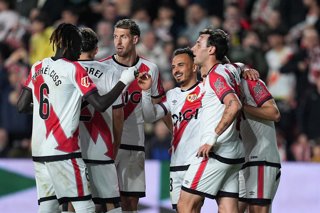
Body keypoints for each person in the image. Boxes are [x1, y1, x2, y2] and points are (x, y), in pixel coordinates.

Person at [17, 23, 137, 213]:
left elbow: (22, 106)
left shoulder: (37, 67)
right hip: (64, 150)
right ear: (68, 43)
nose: (78, 50)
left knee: (48, 207)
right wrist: (125, 80)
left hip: (40, 151)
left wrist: (54, 108)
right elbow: (101, 104)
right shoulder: (73, 69)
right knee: (85, 207)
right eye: (76, 45)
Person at [100, 19, 165, 212]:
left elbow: (157, 106)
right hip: (107, 145)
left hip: (135, 144)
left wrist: (176, 136)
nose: (118, 42)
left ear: (135, 39)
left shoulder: (150, 68)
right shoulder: (103, 67)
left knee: (130, 204)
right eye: (115, 37)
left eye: (124, 37)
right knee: (104, 203)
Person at [177, 28, 244, 213]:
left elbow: (234, 105)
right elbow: (239, 65)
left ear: (211, 50)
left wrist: (211, 139)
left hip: (216, 152)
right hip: (235, 154)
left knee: (185, 205)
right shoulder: (228, 70)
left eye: (198, 44)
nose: (193, 48)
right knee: (228, 209)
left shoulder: (215, 76)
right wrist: (247, 68)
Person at [137, 47, 204, 210]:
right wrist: (146, 92)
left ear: (194, 67)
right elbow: (149, 116)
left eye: (181, 65)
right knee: (181, 209)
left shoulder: (207, 90)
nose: (176, 70)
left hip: (197, 163)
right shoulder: (172, 95)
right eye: (173, 67)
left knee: (187, 207)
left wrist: (243, 71)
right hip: (176, 163)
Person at [77, 27, 123, 212]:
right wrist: (116, 142)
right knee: (110, 201)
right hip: (101, 144)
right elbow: (118, 113)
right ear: (96, 50)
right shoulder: (110, 71)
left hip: (71, 146)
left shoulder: (66, 70)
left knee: (73, 200)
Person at [225, 63, 281, 213]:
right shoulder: (216, 89)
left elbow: (274, 113)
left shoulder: (250, 81)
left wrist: (239, 106)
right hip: (242, 161)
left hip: (261, 158)